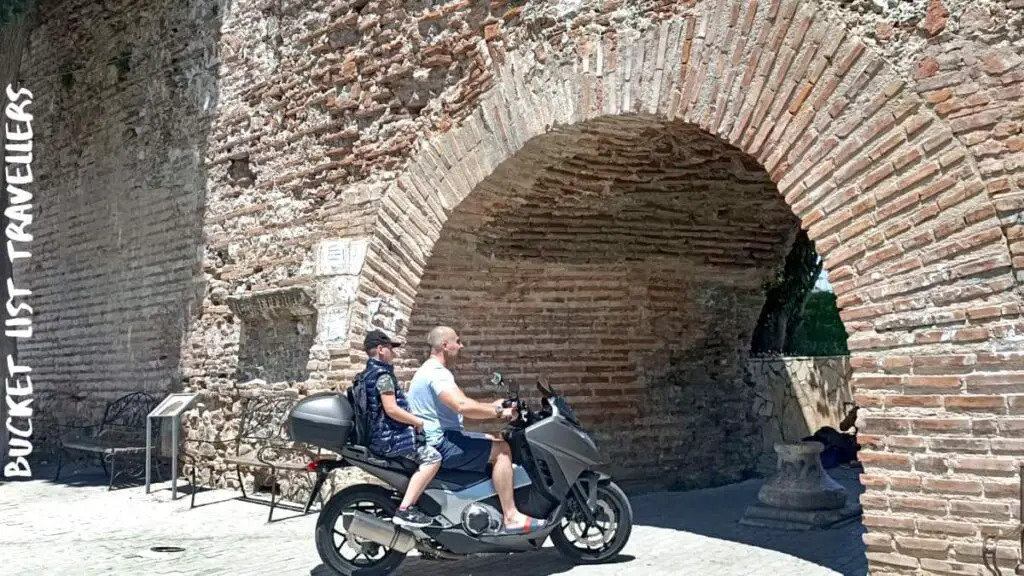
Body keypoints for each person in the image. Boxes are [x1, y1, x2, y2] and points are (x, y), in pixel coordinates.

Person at [406, 325, 547, 535]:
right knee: (502, 451)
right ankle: (511, 516)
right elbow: (461, 407)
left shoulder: (430, 370)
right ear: (445, 345)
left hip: (439, 437)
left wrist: (495, 406)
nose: (461, 346)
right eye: (458, 341)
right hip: (441, 441)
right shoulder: (437, 373)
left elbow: (465, 402)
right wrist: (499, 412)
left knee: (494, 438)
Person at [360, 329, 442, 528]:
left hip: (378, 437)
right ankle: (406, 509)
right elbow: (391, 409)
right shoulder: (383, 375)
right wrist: (417, 422)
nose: (393, 353)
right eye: (390, 349)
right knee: (433, 457)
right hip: (389, 439)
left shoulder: (367, 373)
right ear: (380, 349)